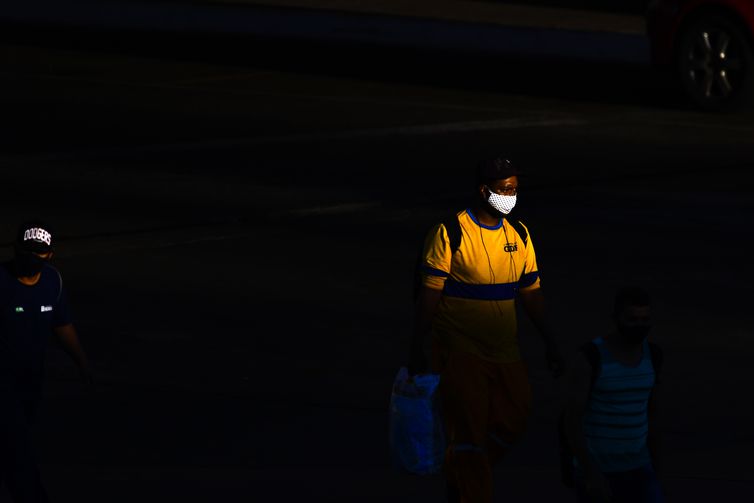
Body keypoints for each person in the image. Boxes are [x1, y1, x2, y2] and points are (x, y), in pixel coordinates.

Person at [408, 156, 565, 503]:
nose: (511, 195)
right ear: (484, 190)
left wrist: (550, 342)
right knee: (469, 433)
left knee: (515, 417)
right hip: (460, 353)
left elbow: (532, 293)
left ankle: (464, 469)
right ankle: (470, 480)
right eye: (505, 189)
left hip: (505, 351)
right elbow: (429, 296)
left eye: (514, 189)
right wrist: (416, 347)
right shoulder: (450, 233)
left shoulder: (519, 234)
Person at [0, 220, 92, 503]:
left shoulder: (53, 282)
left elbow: (62, 325)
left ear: (49, 255)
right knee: (18, 449)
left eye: (38, 253)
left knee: (16, 441)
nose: (32, 259)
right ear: (15, 250)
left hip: (32, 379)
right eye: (27, 252)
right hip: (2, 383)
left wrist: (82, 363)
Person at [562, 286, 664, 503]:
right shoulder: (590, 358)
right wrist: (590, 472)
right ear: (616, 319)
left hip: (640, 467)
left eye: (645, 319)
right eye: (633, 319)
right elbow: (571, 420)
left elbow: (652, 413)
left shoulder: (652, 355)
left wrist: (657, 468)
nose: (640, 326)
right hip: (600, 471)